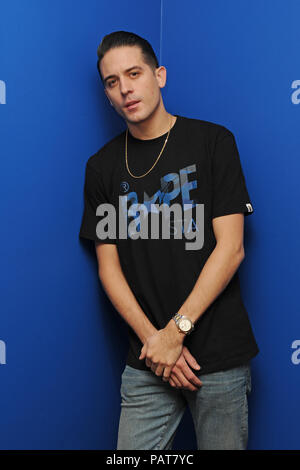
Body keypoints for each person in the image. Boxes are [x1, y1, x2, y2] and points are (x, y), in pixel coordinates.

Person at [79, 30, 259, 450]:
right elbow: (109, 269)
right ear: (106, 94)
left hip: (218, 356)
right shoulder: (102, 167)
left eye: (134, 73)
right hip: (147, 362)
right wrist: (155, 342)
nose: (125, 88)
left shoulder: (213, 142)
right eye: (111, 82)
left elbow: (231, 248)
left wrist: (176, 332)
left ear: (159, 75)